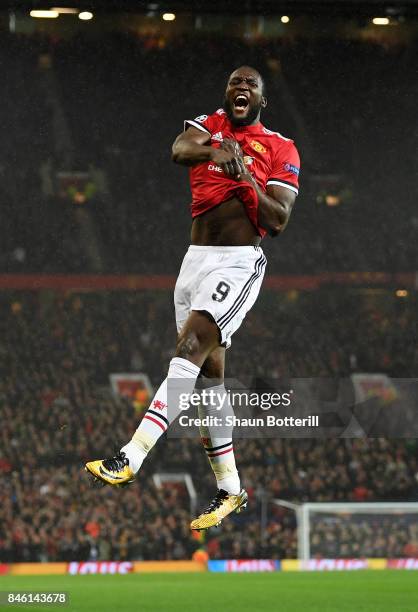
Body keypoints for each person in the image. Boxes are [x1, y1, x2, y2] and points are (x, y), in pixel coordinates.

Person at [86, 66, 300, 530]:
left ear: (263, 99)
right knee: (208, 379)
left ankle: (131, 455)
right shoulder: (210, 125)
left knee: (187, 351)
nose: (241, 87)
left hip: (238, 261)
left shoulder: (281, 148)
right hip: (193, 261)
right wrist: (220, 149)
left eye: (251, 85)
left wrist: (243, 172)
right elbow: (180, 149)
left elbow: (278, 219)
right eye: (234, 83)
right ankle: (229, 488)